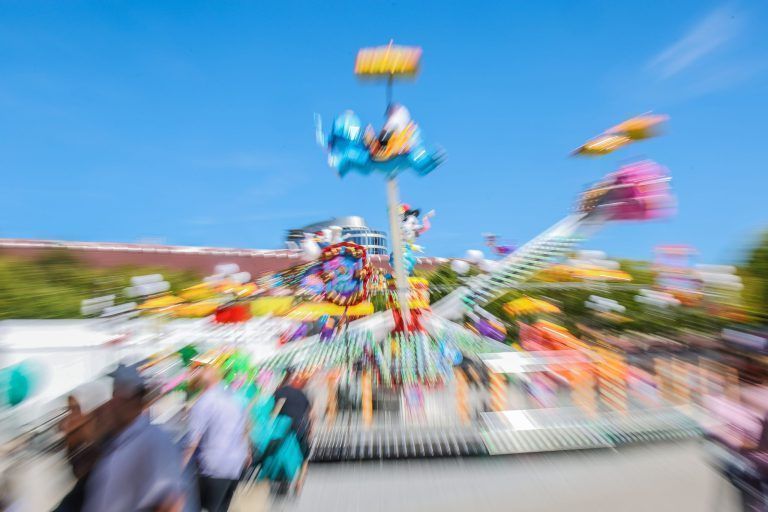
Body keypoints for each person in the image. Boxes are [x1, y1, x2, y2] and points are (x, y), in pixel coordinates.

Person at [83, 364, 185, 512]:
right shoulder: (116, 439)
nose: (110, 404)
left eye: (117, 396)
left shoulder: (155, 441)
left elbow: (172, 504)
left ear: (134, 401)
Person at [184, 367, 251, 512]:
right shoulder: (234, 397)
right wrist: (248, 452)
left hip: (214, 466)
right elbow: (245, 426)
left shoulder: (203, 402)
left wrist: (179, 468)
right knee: (222, 507)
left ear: (200, 387)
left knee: (205, 507)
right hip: (236, 463)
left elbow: (192, 442)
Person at [272, 369, 313, 491]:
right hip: (301, 427)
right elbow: (310, 414)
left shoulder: (279, 392)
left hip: (285, 428)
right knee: (304, 455)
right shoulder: (301, 394)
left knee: (282, 452)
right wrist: (310, 429)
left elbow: (274, 413)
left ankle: (283, 478)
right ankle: (299, 482)